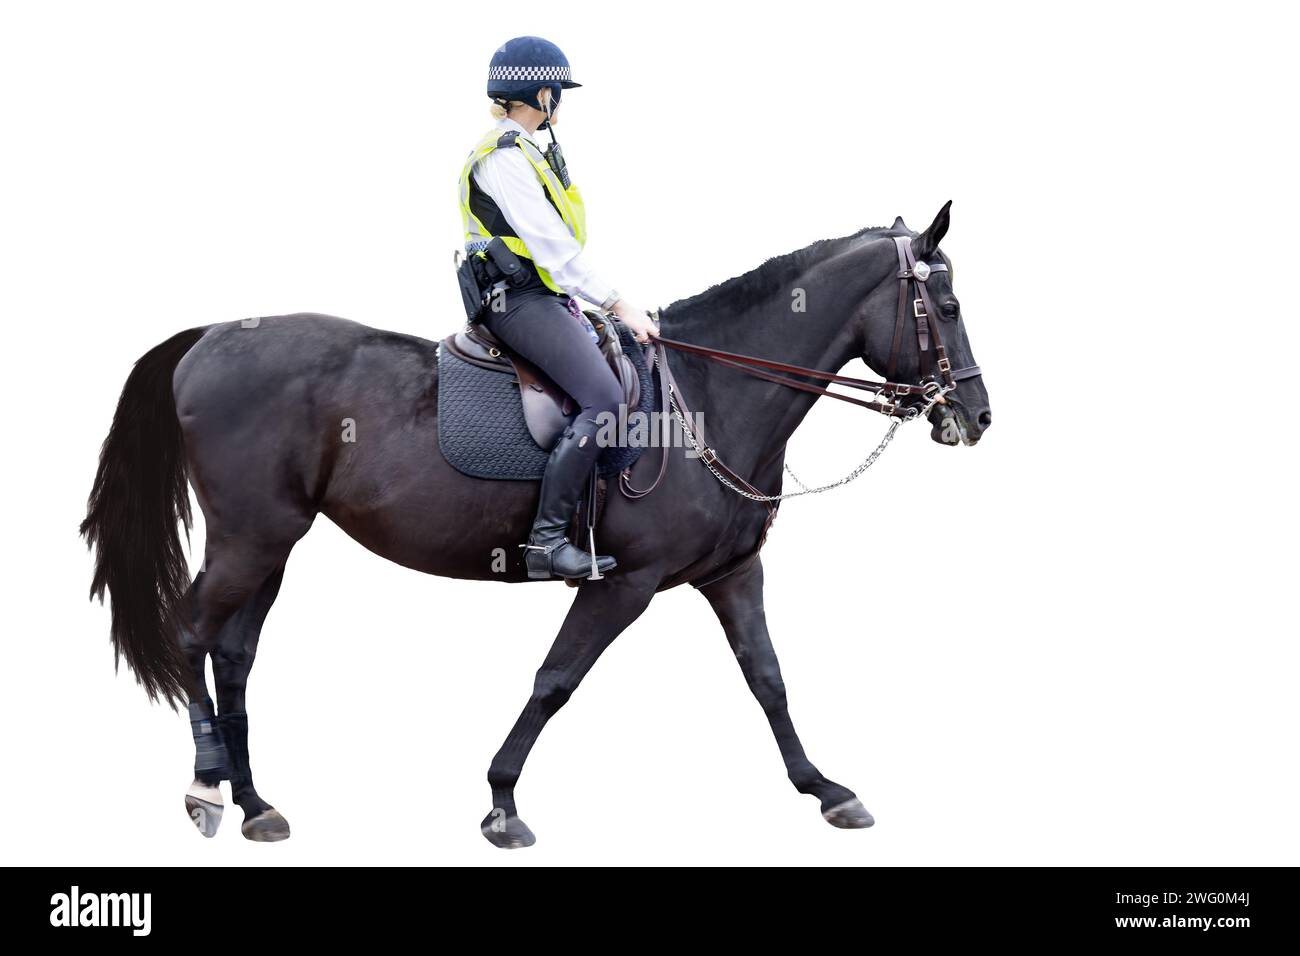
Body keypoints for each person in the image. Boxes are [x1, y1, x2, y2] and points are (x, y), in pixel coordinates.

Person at [457, 36, 658, 581]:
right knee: (606, 398)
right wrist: (619, 302)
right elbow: (551, 247)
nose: (559, 102)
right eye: (555, 91)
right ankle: (546, 542)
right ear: (538, 92)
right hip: (517, 300)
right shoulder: (503, 158)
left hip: (543, 295)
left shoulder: (528, 151)